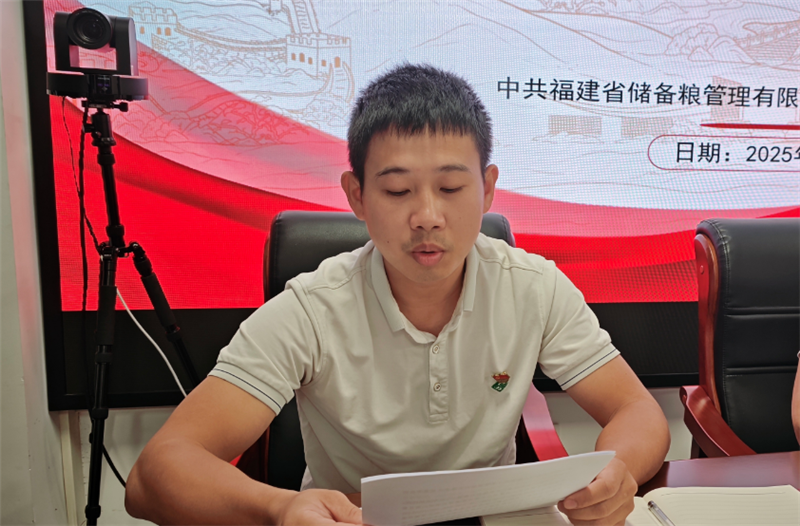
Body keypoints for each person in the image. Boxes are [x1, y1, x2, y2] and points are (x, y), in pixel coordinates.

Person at [126, 64, 670, 526]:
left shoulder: (533, 286)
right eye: (397, 190)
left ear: (487, 189)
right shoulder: (312, 308)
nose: (427, 216)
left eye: (451, 187)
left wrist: (615, 471)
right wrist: (281, 508)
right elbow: (154, 475)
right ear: (357, 196)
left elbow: (636, 410)